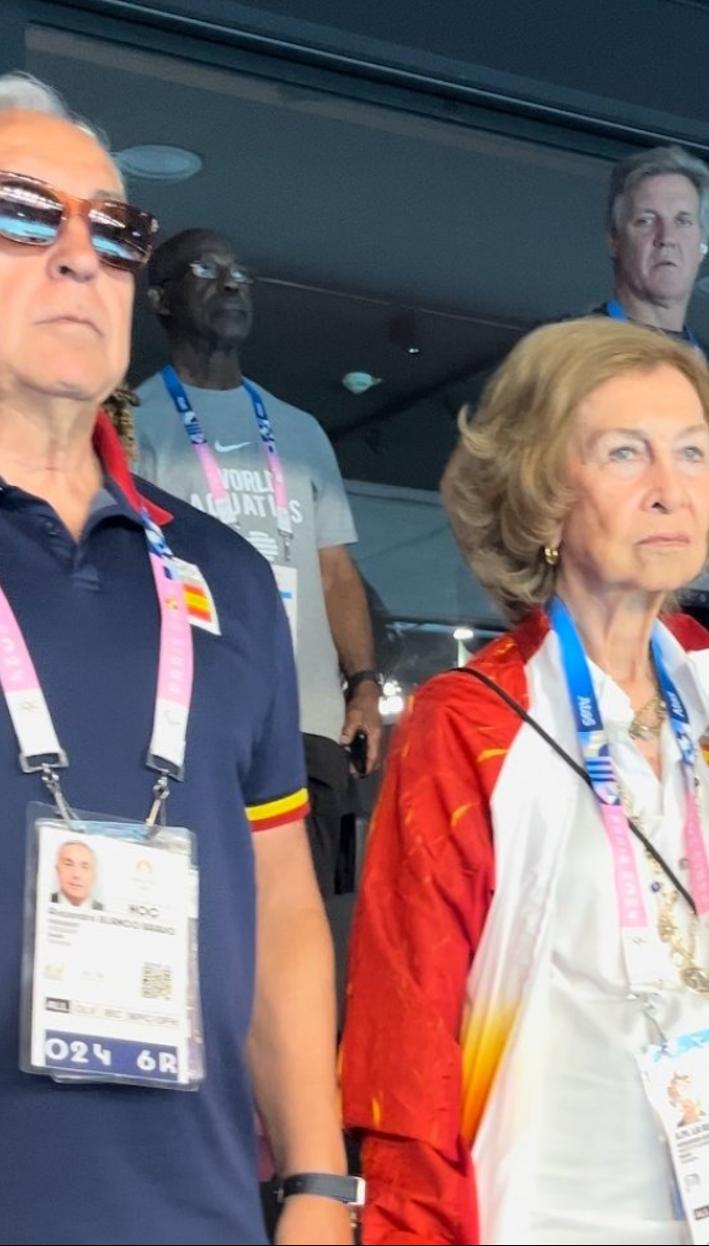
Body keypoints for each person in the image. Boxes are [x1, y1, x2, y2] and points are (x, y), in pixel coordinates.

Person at [341, 317, 709, 1245]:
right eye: (624, 453)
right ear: (539, 491)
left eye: (692, 453)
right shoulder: (472, 726)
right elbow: (407, 1054)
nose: (670, 487)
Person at [0, 73, 351, 1242]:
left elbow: (285, 907)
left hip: (195, 1212)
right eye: (21, 210)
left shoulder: (221, 575)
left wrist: (316, 1183)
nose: (77, 255)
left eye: (112, 228)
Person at [132, 229, 382, 898]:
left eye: (241, 272)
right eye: (207, 270)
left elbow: (334, 572)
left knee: (299, 919)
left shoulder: (298, 431)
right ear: (161, 297)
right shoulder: (132, 421)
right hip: (194, 717)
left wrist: (362, 683)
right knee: (202, 918)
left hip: (307, 723)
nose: (232, 282)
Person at [597, 144, 709, 467]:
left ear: (702, 243)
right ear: (614, 240)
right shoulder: (565, 350)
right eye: (646, 221)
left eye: (683, 221)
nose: (667, 237)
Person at [50, 840, 103, 909]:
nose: (76, 875)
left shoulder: (104, 911)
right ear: (57, 870)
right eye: (69, 864)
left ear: (94, 875)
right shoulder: (41, 902)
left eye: (85, 867)